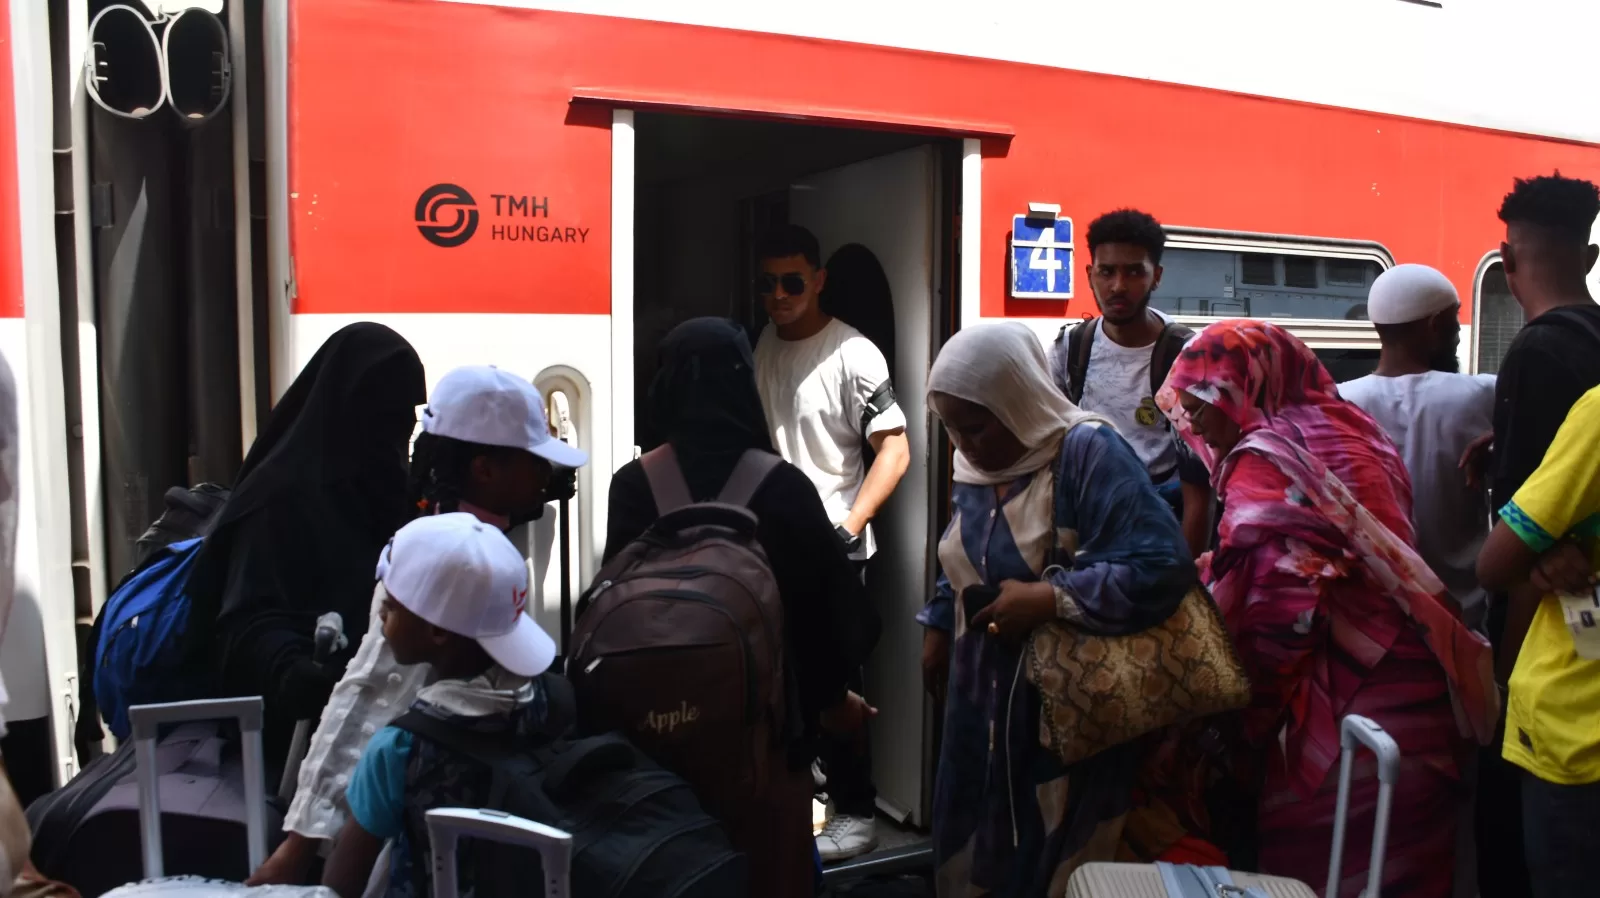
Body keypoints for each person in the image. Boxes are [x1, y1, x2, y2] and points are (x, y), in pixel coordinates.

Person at [1156, 319, 1495, 897]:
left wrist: (1238, 724)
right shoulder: (1355, 427)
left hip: (1341, 715)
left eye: (1202, 406)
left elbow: (1281, 616)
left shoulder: (1264, 460)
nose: (1197, 425)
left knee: (1323, 876)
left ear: (1242, 389)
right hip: (1420, 688)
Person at [249, 366, 587, 885]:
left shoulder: (468, 549)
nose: (546, 473)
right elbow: (366, 699)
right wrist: (300, 844)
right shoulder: (438, 576)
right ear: (484, 470)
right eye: (533, 459)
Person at [604, 317, 880, 897]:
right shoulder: (782, 486)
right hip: (764, 750)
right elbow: (830, 623)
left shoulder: (634, 484)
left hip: (653, 747)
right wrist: (833, 703)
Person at [919, 321, 1194, 896]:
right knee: (976, 852)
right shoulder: (975, 468)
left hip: (1065, 713)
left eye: (976, 426)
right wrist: (940, 625)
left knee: (1052, 854)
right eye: (951, 428)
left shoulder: (1088, 453)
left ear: (1017, 399)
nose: (964, 445)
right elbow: (962, 549)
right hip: (979, 699)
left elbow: (1163, 565)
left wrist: (1051, 598)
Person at [184, 323, 426, 771]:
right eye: (389, 417)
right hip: (286, 748)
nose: (401, 435)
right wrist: (289, 667)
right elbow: (244, 620)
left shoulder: (379, 488)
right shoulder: (281, 499)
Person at [751, 225, 909, 861]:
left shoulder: (854, 354)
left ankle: (858, 810)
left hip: (832, 549)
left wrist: (847, 529)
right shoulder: (764, 340)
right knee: (786, 680)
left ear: (818, 280)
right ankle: (811, 797)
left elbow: (894, 450)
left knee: (838, 684)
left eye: (793, 282)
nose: (779, 295)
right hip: (771, 542)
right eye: (768, 283)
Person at [321, 513, 558, 898]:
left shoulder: (399, 748)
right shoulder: (553, 703)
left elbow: (340, 882)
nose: (381, 614)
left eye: (391, 607)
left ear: (437, 631)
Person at [1477, 172, 1600, 898]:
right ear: (1590, 258)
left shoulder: (1535, 355)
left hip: (1560, 690)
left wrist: (1501, 680)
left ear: (1506, 260)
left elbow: (1515, 561)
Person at [1339, 264, 1497, 631]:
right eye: (1455, 319)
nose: (1459, 332)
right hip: (1466, 619)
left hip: (1375, 624)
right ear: (1435, 325)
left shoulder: (1339, 402)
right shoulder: (1482, 395)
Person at [1046, 209, 1211, 555]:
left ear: (1156, 277)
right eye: (1107, 272)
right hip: (1087, 529)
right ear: (1090, 275)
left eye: (1134, 272)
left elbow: (1198, 492)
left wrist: (1183, 576)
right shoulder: (1070, 349)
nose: (1118, 286)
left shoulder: (1186, 356)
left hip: (1159, 533)